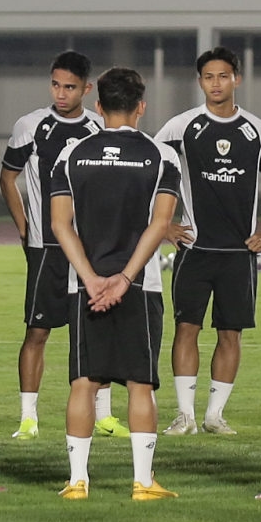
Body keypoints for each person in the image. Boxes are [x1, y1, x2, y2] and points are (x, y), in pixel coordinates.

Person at [45, 65, 185, 499]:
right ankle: (142, 481)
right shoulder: (161, 156)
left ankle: (77, 481)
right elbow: (160, 224)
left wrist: (90, 279)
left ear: (98, 105)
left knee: (84, 382)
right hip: (141, 287)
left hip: (84, 289)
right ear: (141, 106)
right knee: (141, 383)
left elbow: (60, 224)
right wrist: (124, 278)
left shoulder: (71, 155)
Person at [157, 49, 261, 438]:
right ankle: (184, 416)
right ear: (200, 82)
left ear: (236, 79)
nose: (216, 83)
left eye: (223, 76)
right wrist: (164, 226)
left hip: (239, 253)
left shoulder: (257, 129)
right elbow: (148, 167)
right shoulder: (181, 126)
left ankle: (214, 415)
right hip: (195, 249)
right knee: (186, 328)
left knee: (231, 334)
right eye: (209, 77)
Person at [1, 52, 101, 439]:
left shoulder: (98, 128)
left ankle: (104, 417)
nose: (61, 93)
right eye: (56, 85)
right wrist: (24, 227)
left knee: (95, 333)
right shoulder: (31, 126)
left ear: (86, 89)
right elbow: (7, 178)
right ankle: (28, 418)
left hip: (90, 249)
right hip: (46, 247)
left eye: (70, 87)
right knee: (37, 332)